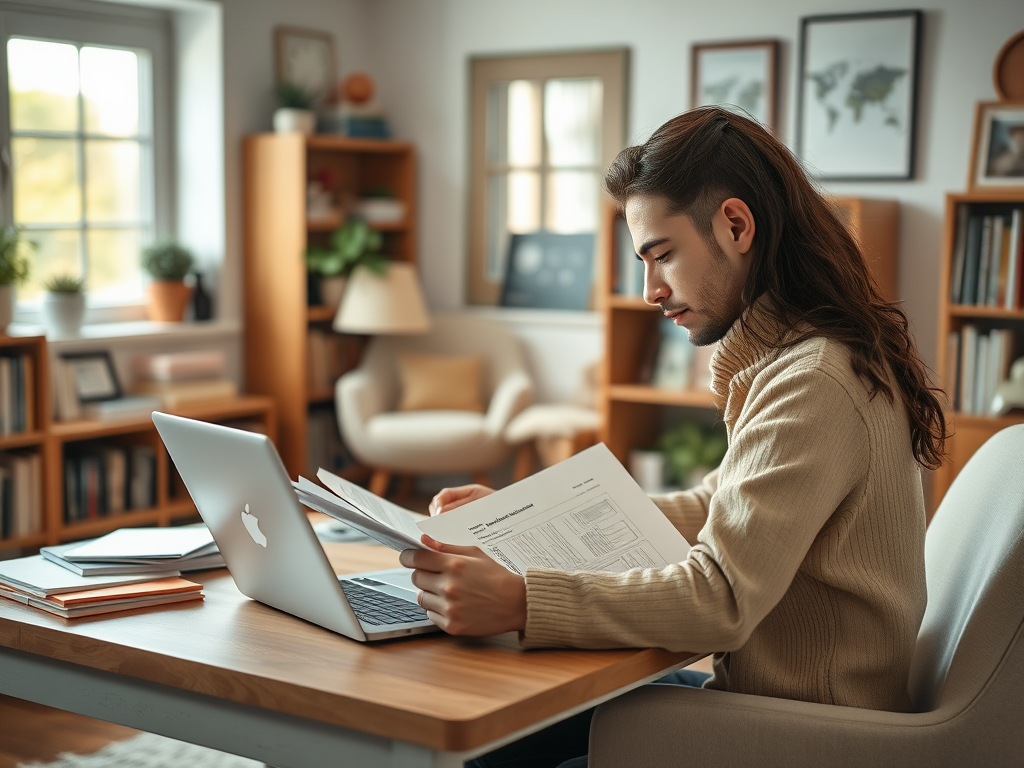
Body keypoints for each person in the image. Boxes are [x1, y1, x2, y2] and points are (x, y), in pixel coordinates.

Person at [399, 106, 947, 768]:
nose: (650, 290)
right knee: (509, 733)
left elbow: (721, 599)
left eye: (662, 255)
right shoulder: (801, 358)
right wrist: (519, 518)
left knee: (490, 745)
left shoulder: (813, 379)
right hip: (776, 705)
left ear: (736, 225)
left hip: (807, 734)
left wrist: (522, 600)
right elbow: (716, 509)